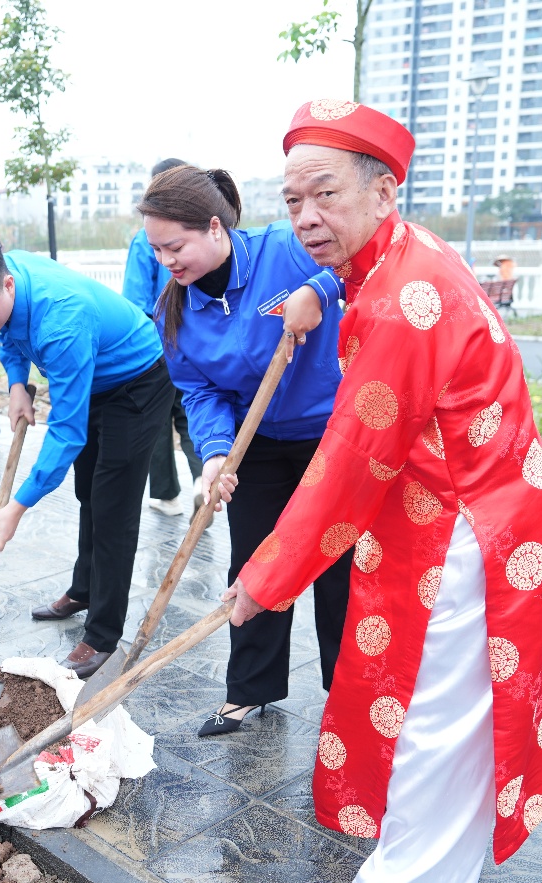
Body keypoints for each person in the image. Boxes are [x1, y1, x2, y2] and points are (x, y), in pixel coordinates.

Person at [223, 100, 542, 883]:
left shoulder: (401, 298)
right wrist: (316, 291)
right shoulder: (396, 257)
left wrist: (265, 579)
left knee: (431, 710)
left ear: (385, 192)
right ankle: (436, 870)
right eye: (293, 199)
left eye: (326, 195)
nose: (308, 217)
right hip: (473, 503)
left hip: (470, 526)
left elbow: (350, 456)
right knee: (451, 705)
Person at [139, 165, 350, 738]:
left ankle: (349, 691)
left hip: (331, 436)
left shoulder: (286, 251)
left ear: (214, 227)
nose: (167, 262)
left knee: (338, 567)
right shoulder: (173, 312)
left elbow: (357, 265)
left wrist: (318, 289)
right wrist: (213, 456)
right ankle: (249, 690)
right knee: (254, 566)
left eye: (175, 246)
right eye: (155, 250)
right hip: (256, 444)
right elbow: (200, 390)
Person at [0, 234, 176, 678]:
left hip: (136, 380)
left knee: (113, 505)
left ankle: (101, 635)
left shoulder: (60, 320)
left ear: (7, 286)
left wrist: (17, 506)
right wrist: (16, 383)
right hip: (91, 372)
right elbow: (6, 333)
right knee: (89, 491)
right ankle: (84, 589)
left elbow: (66, 432)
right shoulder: (5, 277)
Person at [123, 158, 203, 518]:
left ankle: (166, 495)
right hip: (200, 341)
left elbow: (136, 301)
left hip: (157, 347)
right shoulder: (202, 232)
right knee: (193, 414)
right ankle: (205, 479)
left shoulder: (145, 239)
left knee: (156, 422)